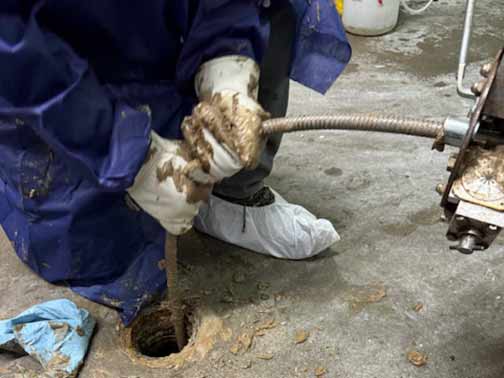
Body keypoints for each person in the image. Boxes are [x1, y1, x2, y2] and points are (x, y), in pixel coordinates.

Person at [0, 0, 351, 323]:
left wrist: (228, 61)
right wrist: (129, 157)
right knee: (104, 256)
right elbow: (11, 51)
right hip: (51, 75)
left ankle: (231, 195)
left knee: (273, 9)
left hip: (166, 23)